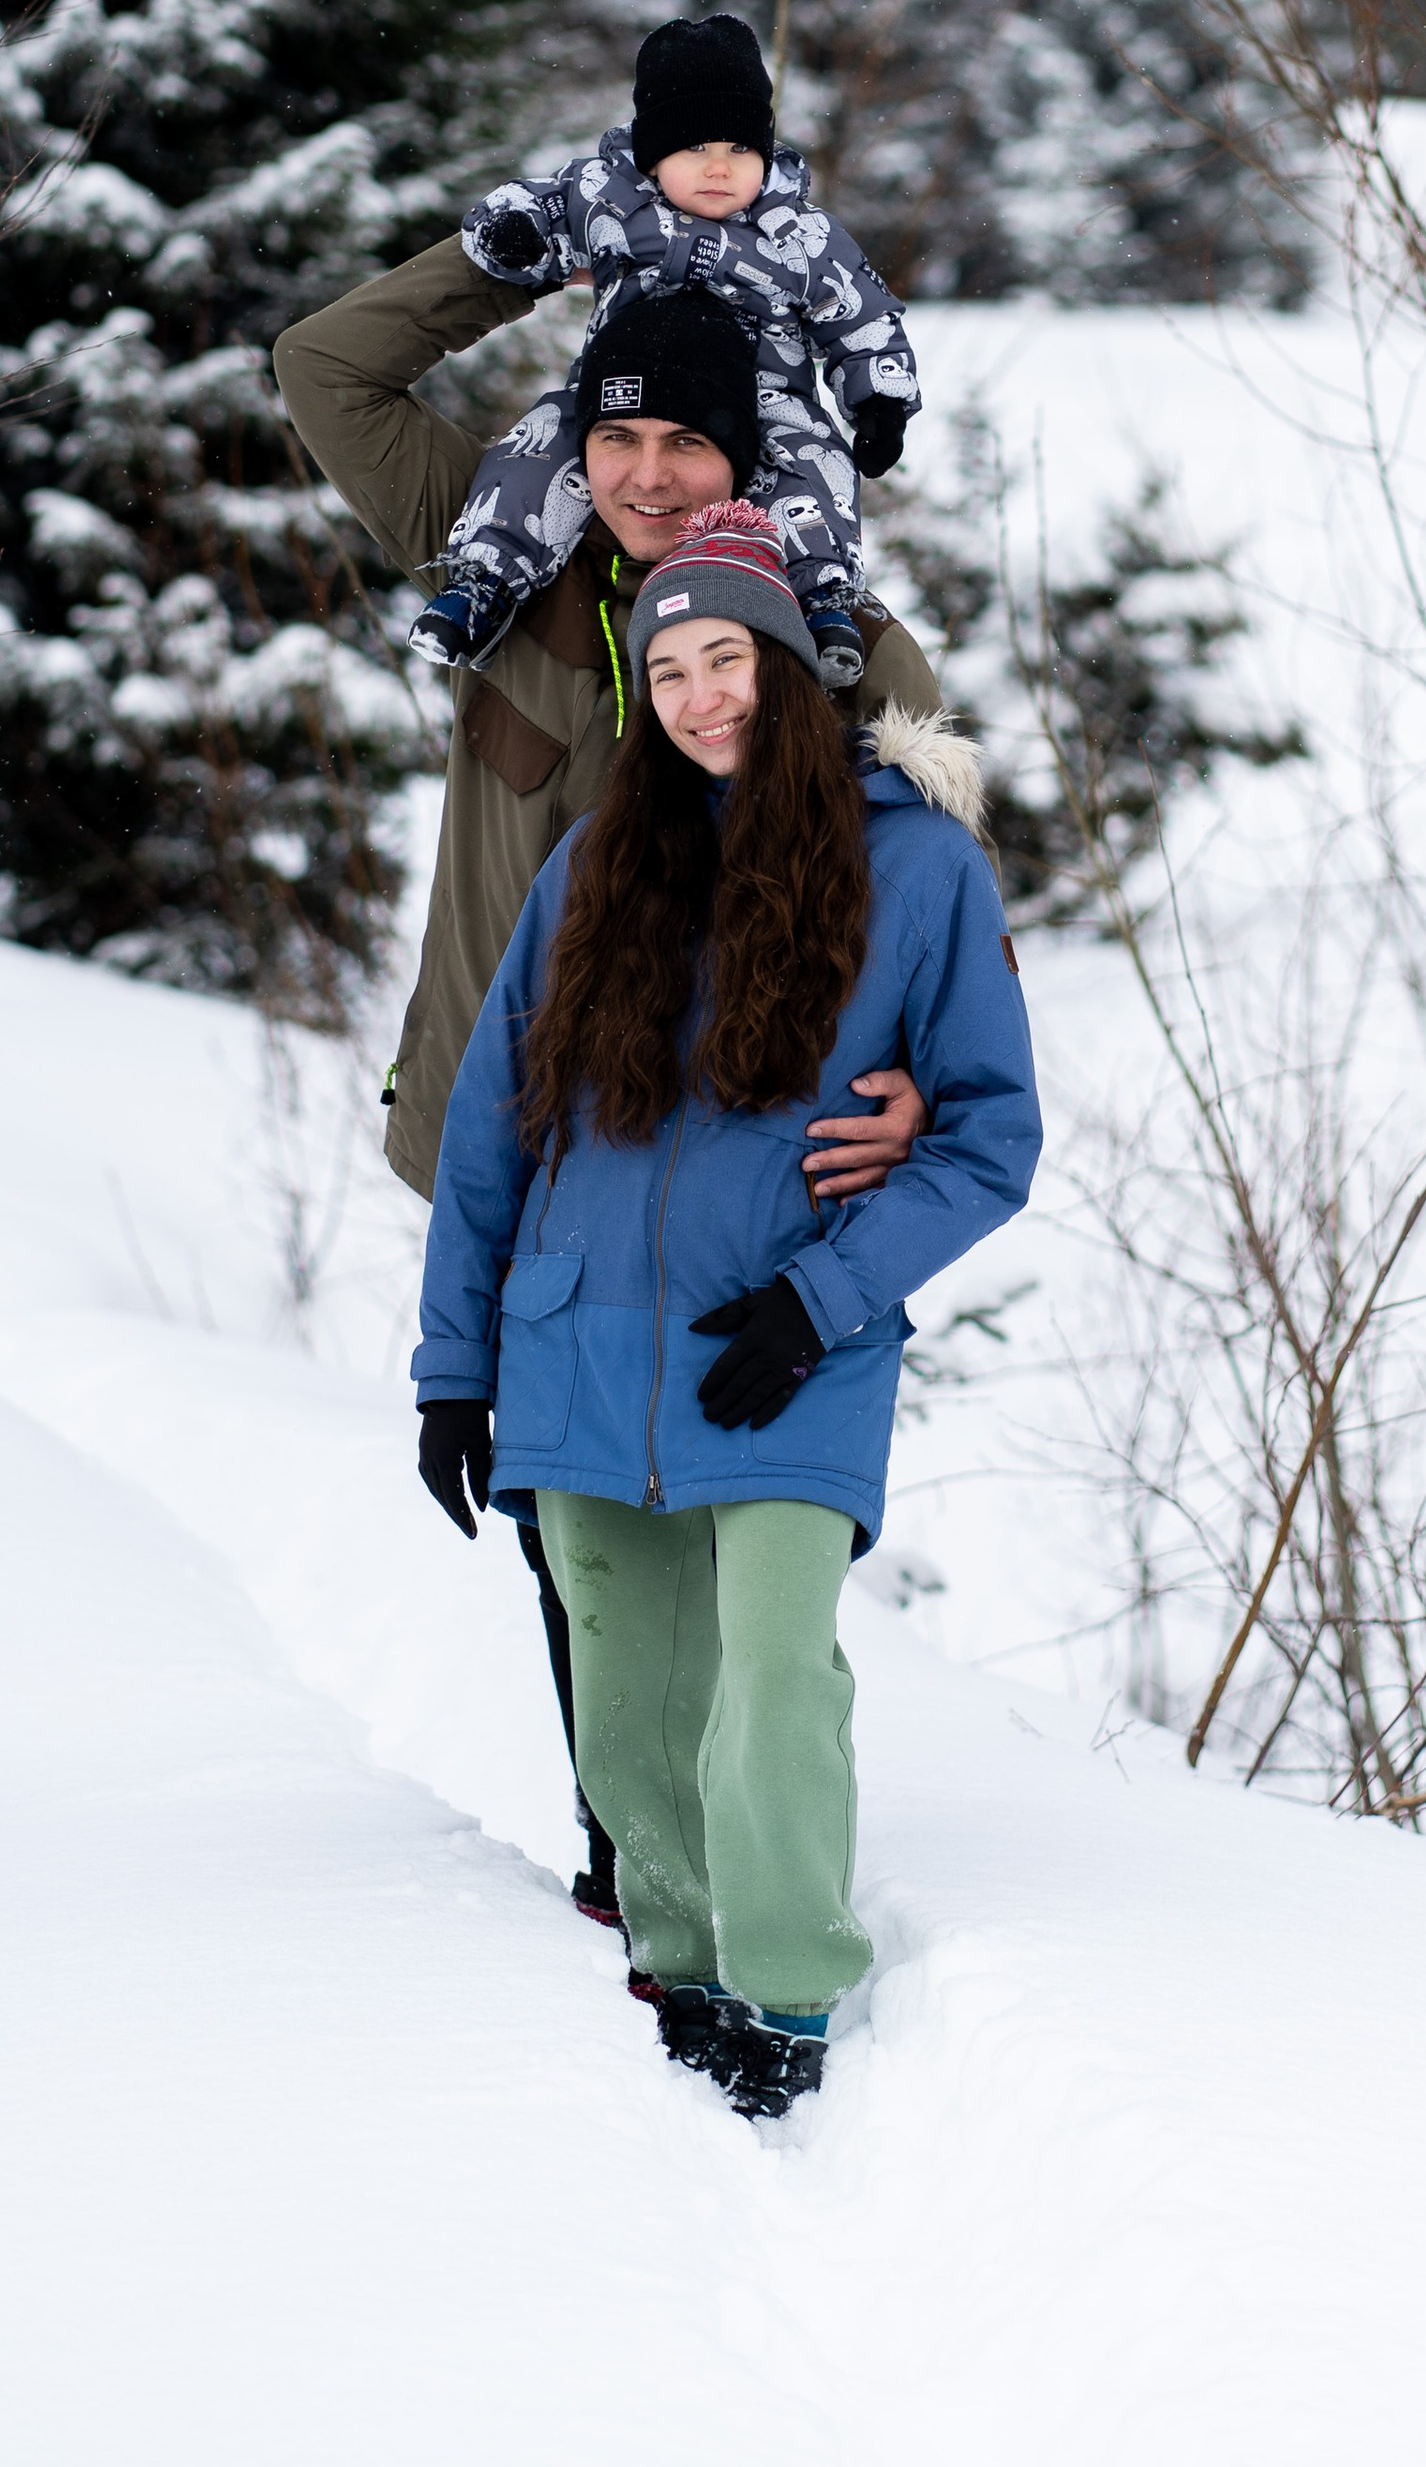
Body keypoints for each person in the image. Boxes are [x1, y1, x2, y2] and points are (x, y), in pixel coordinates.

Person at [271, 247, 941, 1919]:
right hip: (515, 1150)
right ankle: (634, 1846)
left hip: (745, 1180)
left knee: (721, 1507)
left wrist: (922, 1097)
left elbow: (938, 921)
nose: (647, 476)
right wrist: (539, 245)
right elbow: (326, 364)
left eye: (688, 443)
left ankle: (720, 1853)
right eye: (615, 437)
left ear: (751, 453)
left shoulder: (846, 650)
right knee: (567, 1526)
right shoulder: (499, 560)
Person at [413, 500, 1039, 2119]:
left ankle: (788, 1983)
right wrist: (453, 1372)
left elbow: (989, 1138)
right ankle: (680, 1963)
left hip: (787, 1344)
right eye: (670, 668)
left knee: (771, 1679)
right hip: (576, 1341)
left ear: (790, 666)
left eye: (728, 659)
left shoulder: (918, 864)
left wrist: (822, 1299)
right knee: (624, 1698)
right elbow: (490, 1135)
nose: (700, 696)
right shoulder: (592, 865)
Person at [412, 12, 919, 690]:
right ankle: (486, 580)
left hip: (763, 397)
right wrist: (514, 236)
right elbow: (536, 206)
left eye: (740, 149)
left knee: (810, 464)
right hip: (621, 388)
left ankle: (822, 597)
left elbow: (860, 313)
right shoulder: (611, 201)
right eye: (695, 147)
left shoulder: (799, 233)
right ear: (653, 153)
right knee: (543, 445)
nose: (719, 167)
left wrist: (881, 400)